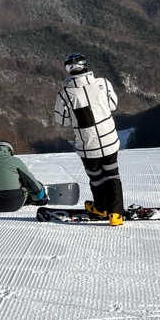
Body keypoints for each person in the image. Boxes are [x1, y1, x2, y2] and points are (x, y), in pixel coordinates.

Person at [53, 52, 125, 225]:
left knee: (96, 177)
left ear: (68, 70)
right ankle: (116, 214)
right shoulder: (103, 83)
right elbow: (113, 105)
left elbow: (62, 120)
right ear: (86, 65)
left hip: (87, 144)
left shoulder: (65, 94)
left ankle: (101, 207)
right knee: (112, 174)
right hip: (109, 140)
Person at [0, 141, 49, 213]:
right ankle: (34, 199)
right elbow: (30, 182)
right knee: (25, 185)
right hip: (13, 204)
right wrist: (41, 195)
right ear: (10, 151)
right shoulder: (15, 161)